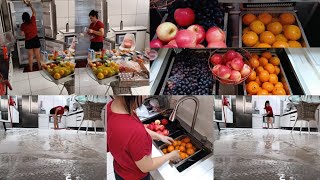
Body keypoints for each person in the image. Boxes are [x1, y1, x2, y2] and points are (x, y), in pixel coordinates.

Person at [107, 96, 180, 180]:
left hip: (120, 169)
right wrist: (170, 155)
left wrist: (159, 136)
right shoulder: (135, 130)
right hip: (135, 177)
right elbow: (146, 166)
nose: (145, 97)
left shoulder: (112, 106)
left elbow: (134, 128)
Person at [20, 2, 41, 72]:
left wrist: (25, 31)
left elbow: (22, 34)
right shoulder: (33, 20)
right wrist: (31, 6)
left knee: (30, 56)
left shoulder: (23, 25)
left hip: (28, 41)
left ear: (23, 18)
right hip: (35, 39)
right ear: (29, 17)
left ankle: (31, 69)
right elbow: (34, 12)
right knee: (37, 55)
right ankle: (39, 67)